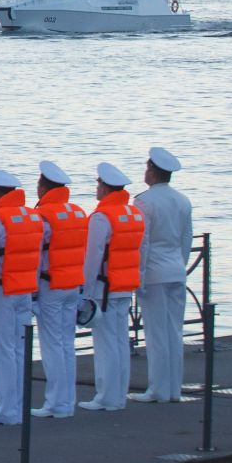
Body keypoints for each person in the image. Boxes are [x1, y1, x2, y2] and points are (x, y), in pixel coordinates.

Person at [0, 168, 40, 426]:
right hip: (26, 290)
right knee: (20, 349)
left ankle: (6, 409)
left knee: (3, 352)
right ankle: (21, 405)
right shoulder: (32, 216)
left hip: (3, 291)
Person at [80, 162, 145, 411]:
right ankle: (119, 394)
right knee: (120, 341)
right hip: (124, 285)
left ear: (105, 187)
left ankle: (106, 396)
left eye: (98, 184)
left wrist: (85, 290)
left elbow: (93, 257)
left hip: (102, 289)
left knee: (106, 343)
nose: (97, 188)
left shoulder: (101, 217)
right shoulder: (132, 213)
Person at [133, 146, 194, 402]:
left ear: (154, 172)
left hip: (155, 273)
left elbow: (143, 242)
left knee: (157, 333)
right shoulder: (182, 200)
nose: (145, 172)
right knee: (174, 332)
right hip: (176, 270)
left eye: (147, 168)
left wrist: (140, 274)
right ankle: (174, 389)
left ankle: (158, 389)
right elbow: (186, 238)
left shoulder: (143, 201)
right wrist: (180, 264)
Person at [30, 160, 88, 418]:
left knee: (52, 344)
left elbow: (35, 254)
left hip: (50, 284)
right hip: (73, 283)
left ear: (44, 187)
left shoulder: (43, 216)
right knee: (67, 343)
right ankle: (68, 400)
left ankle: (55, 402)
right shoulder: (77, 212)